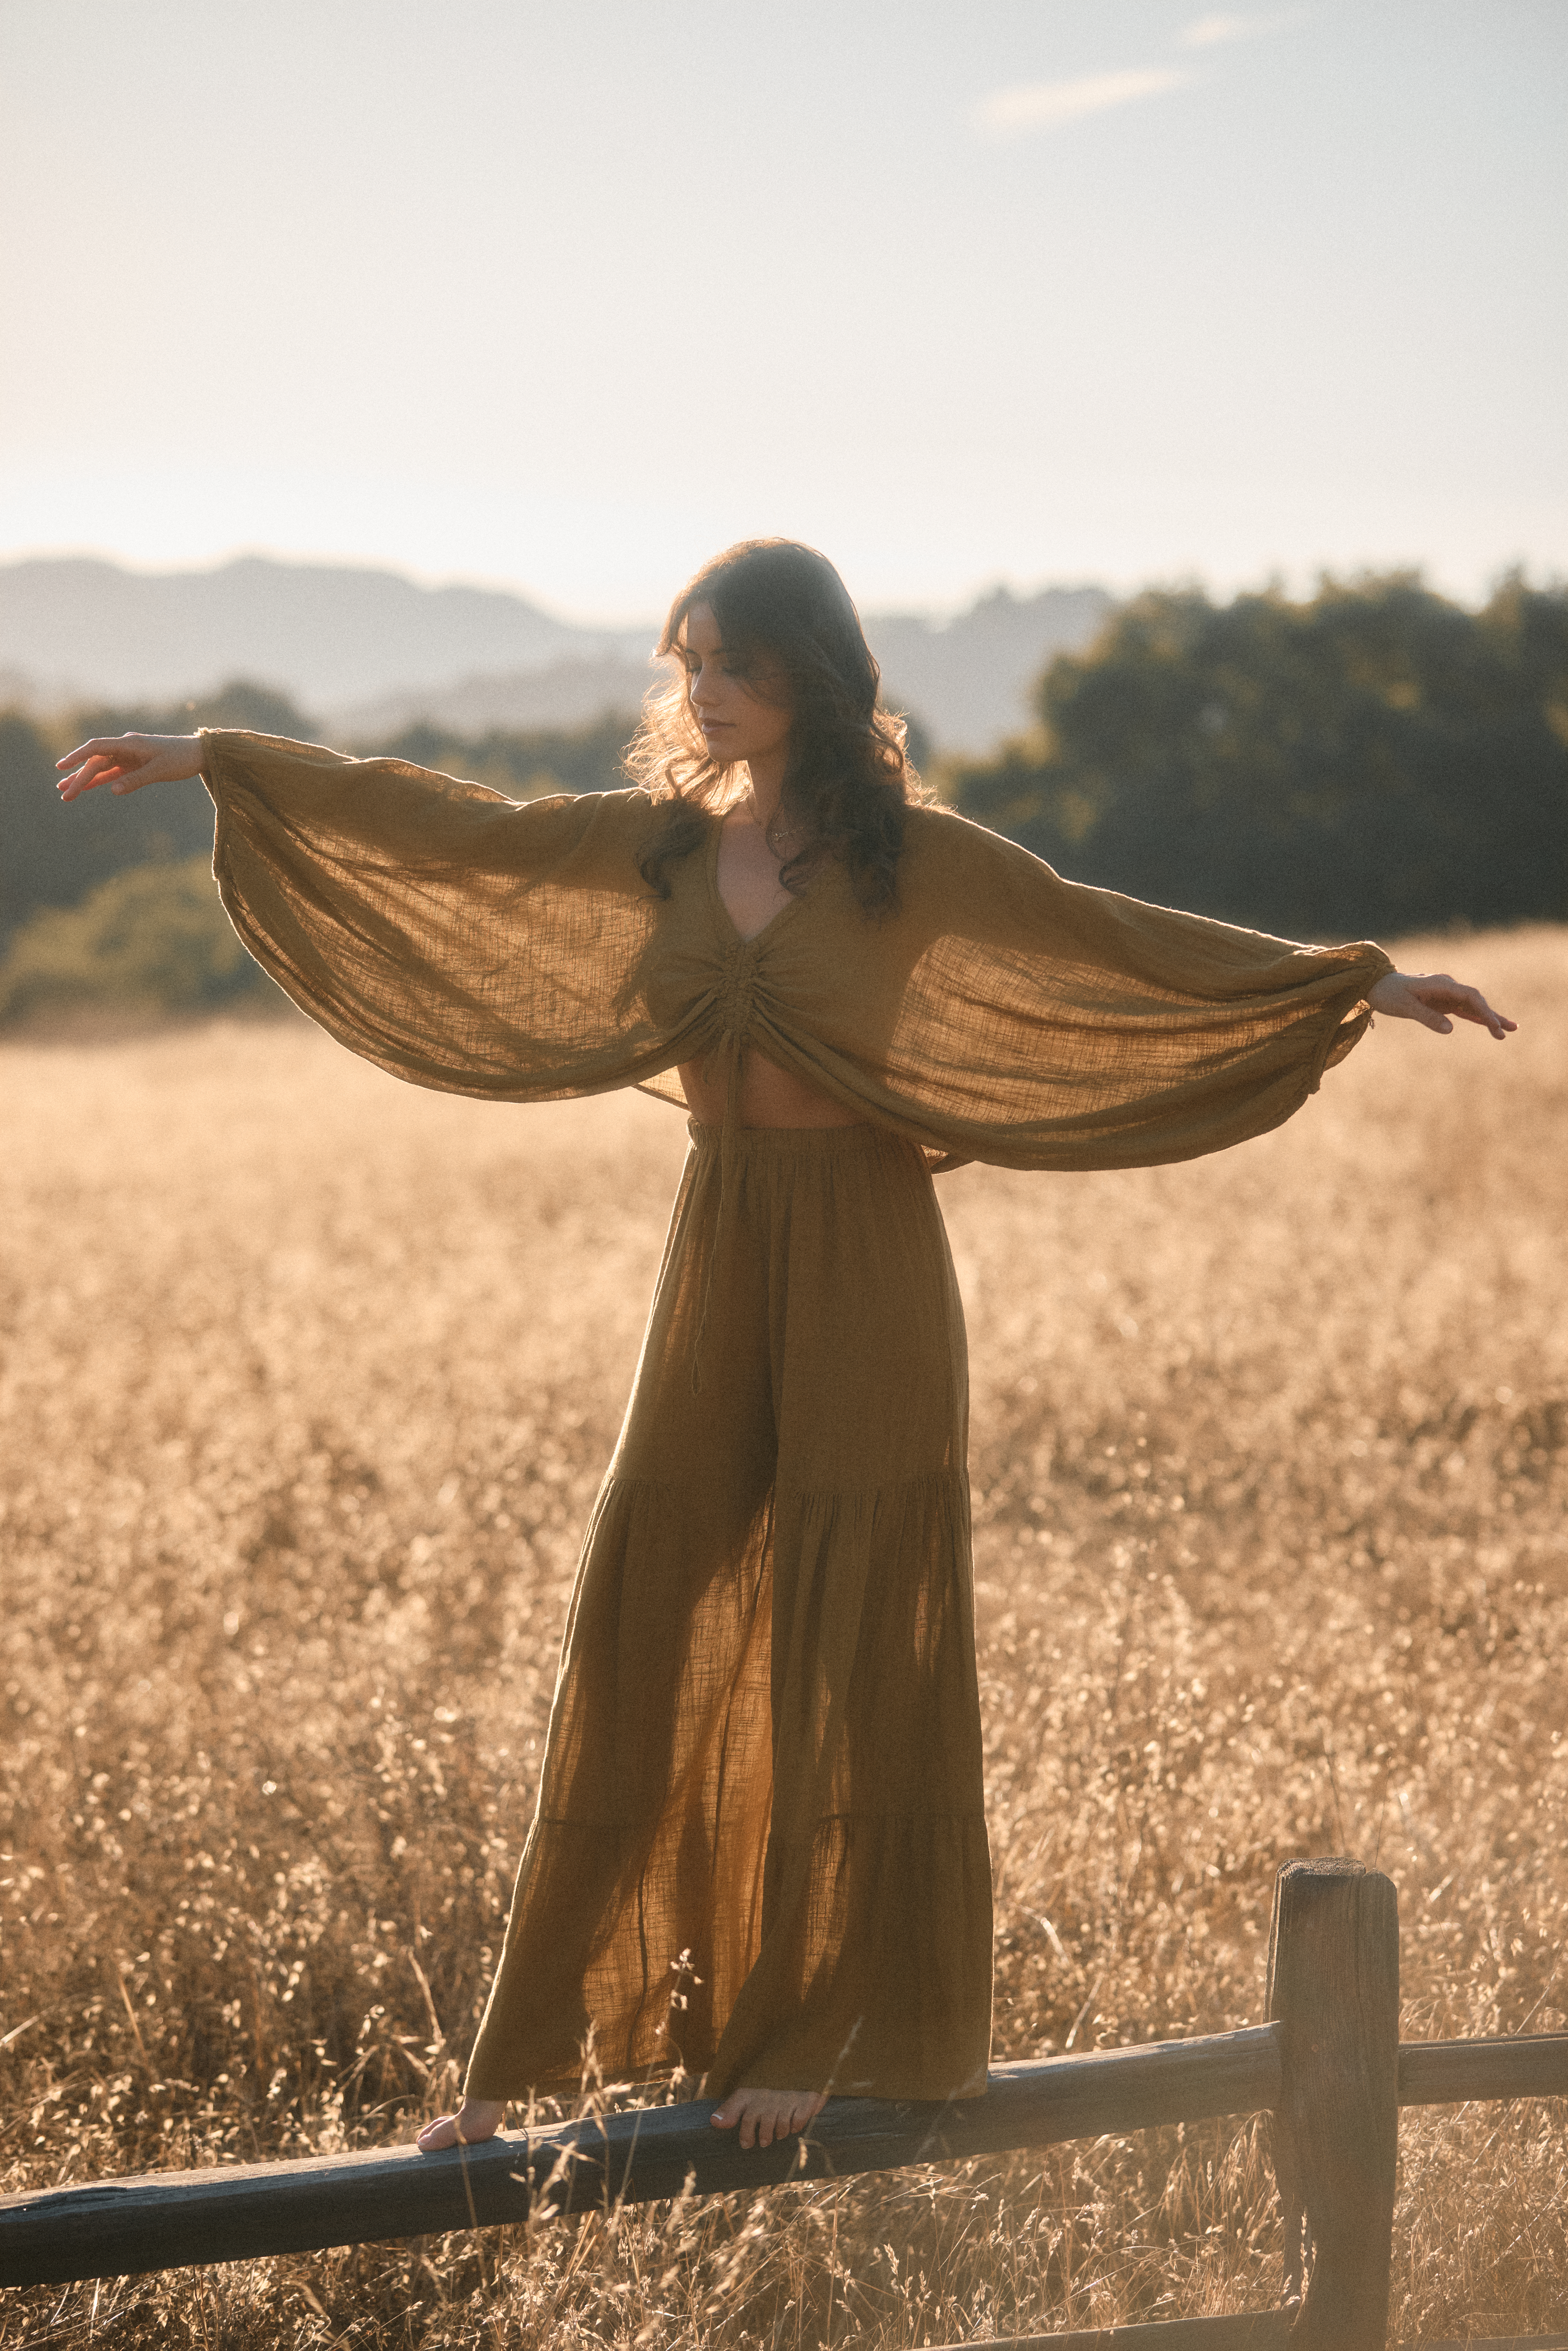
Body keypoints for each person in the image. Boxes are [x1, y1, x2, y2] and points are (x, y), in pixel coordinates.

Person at [56, 538, 1514, 2157]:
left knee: (849, 1630)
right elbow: (459, 823)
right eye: (688, 662)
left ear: (813, 675)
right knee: (645, 1599)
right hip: (720, 1244)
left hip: (872, 1263)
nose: (705, 691)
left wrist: (1356, 981)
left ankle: (825, 2028)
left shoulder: (916, 861)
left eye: (734, 665)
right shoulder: (659, 846)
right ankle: (527, 2056)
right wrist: (218, 759)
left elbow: (1109, 936)